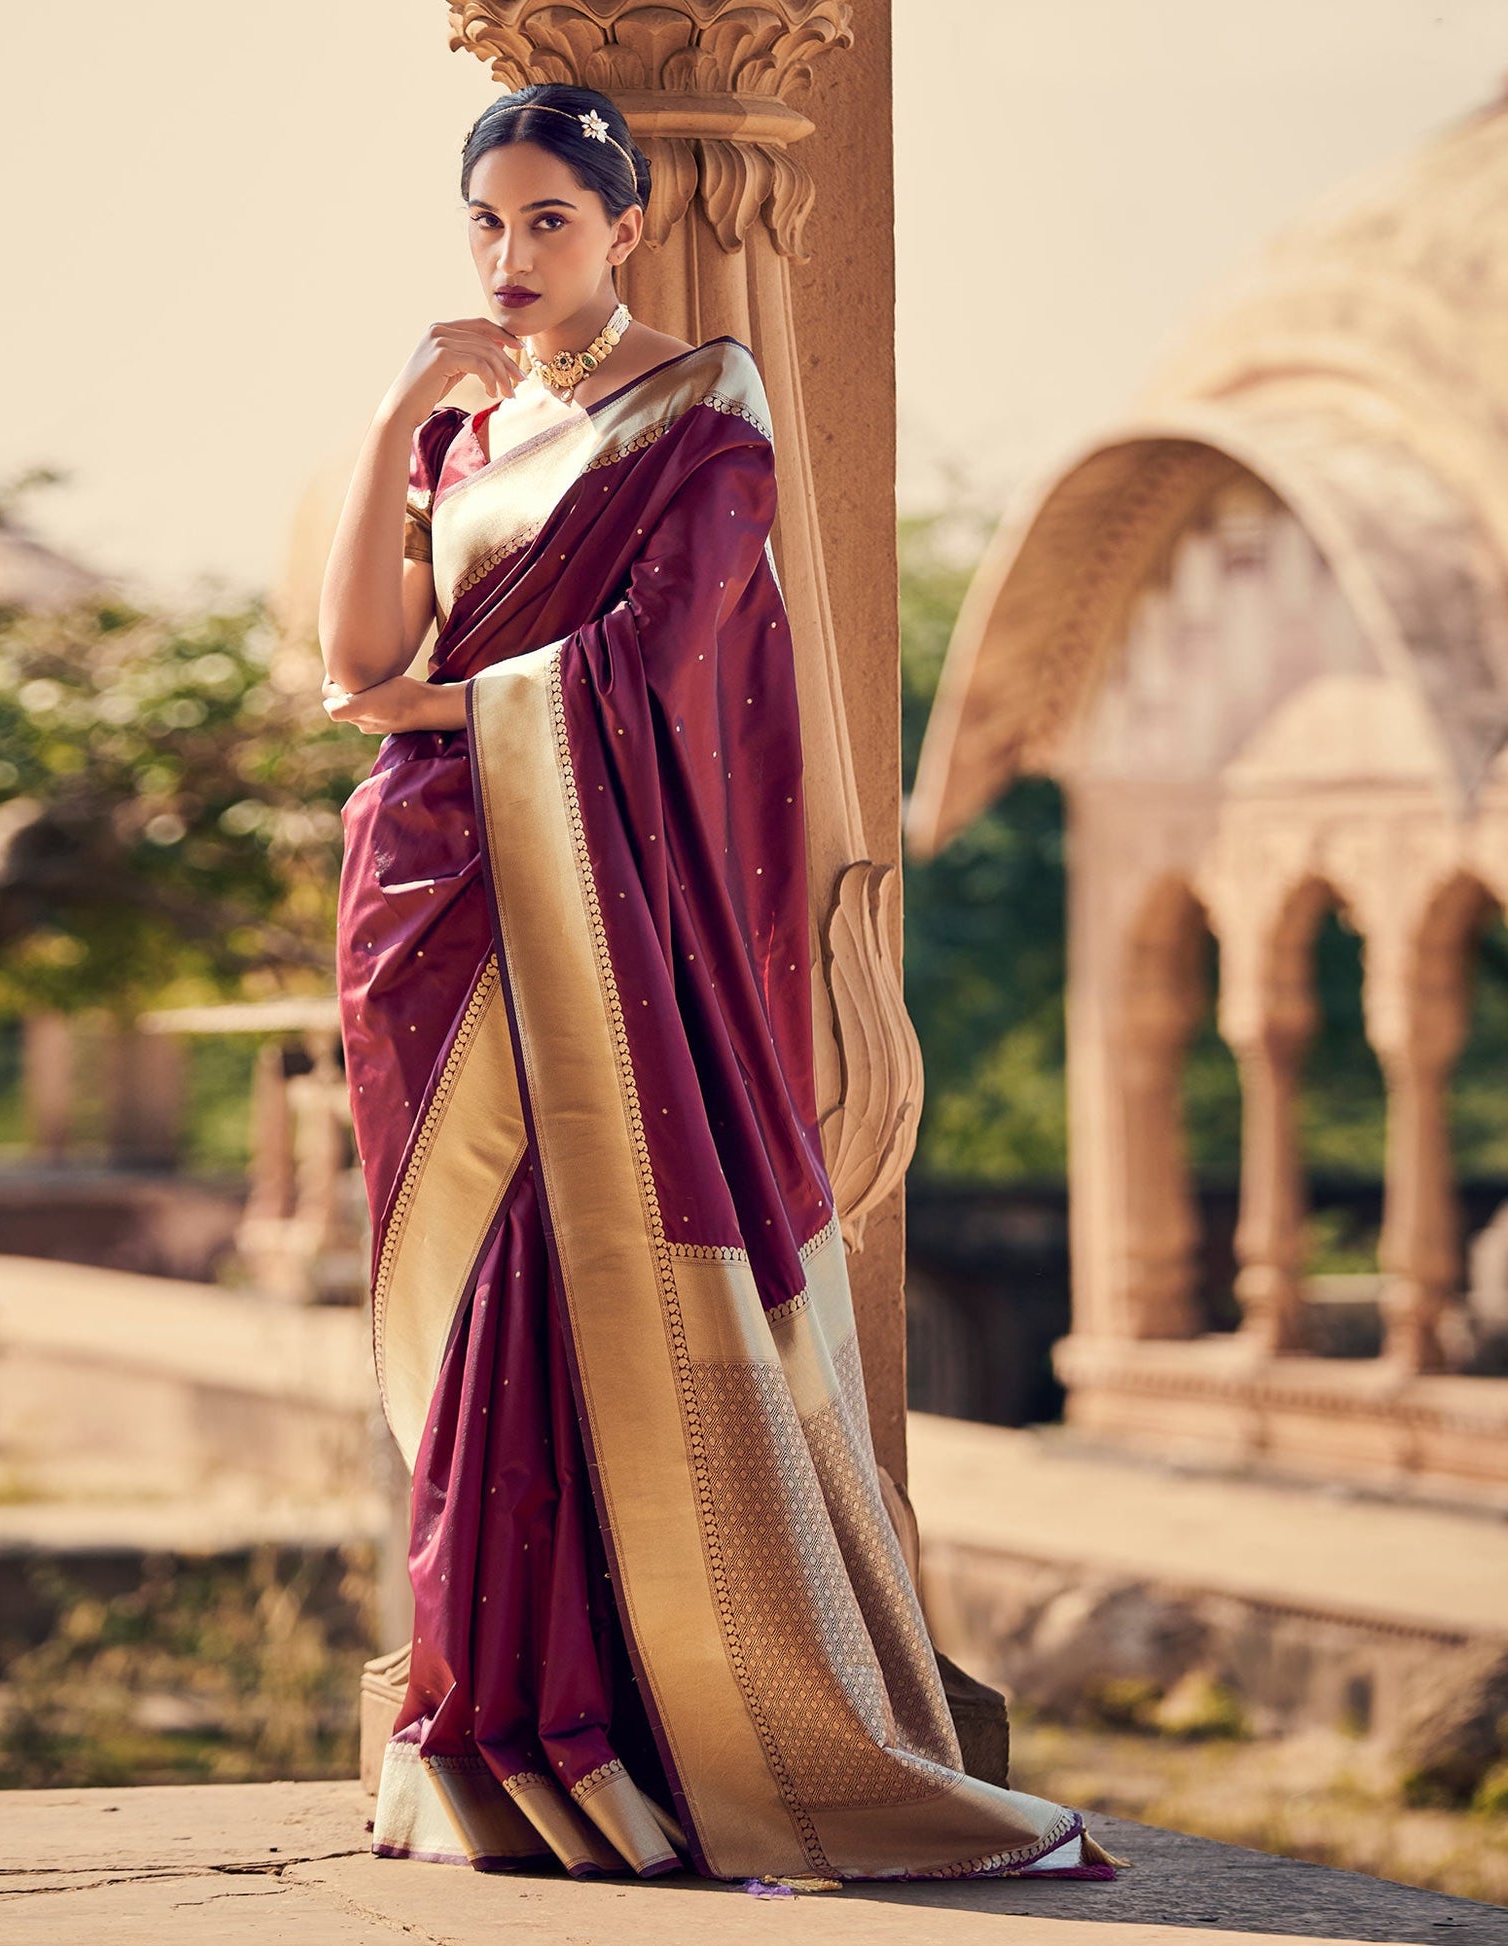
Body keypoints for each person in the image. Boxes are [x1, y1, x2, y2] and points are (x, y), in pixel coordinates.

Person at [318, 80, 1119, 1887]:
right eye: (487, 222)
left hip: (594, 900)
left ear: (622, 227)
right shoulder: (464, 434)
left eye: (548, 219)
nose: (511, 255)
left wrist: (448, 707)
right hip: (435, 907)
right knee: (475, 1312)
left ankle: (640, 1729)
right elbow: (347, 658)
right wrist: (392, 414)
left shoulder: (700, 406)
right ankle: (488, 1738)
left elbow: (660, 654)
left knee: (569, 1280)